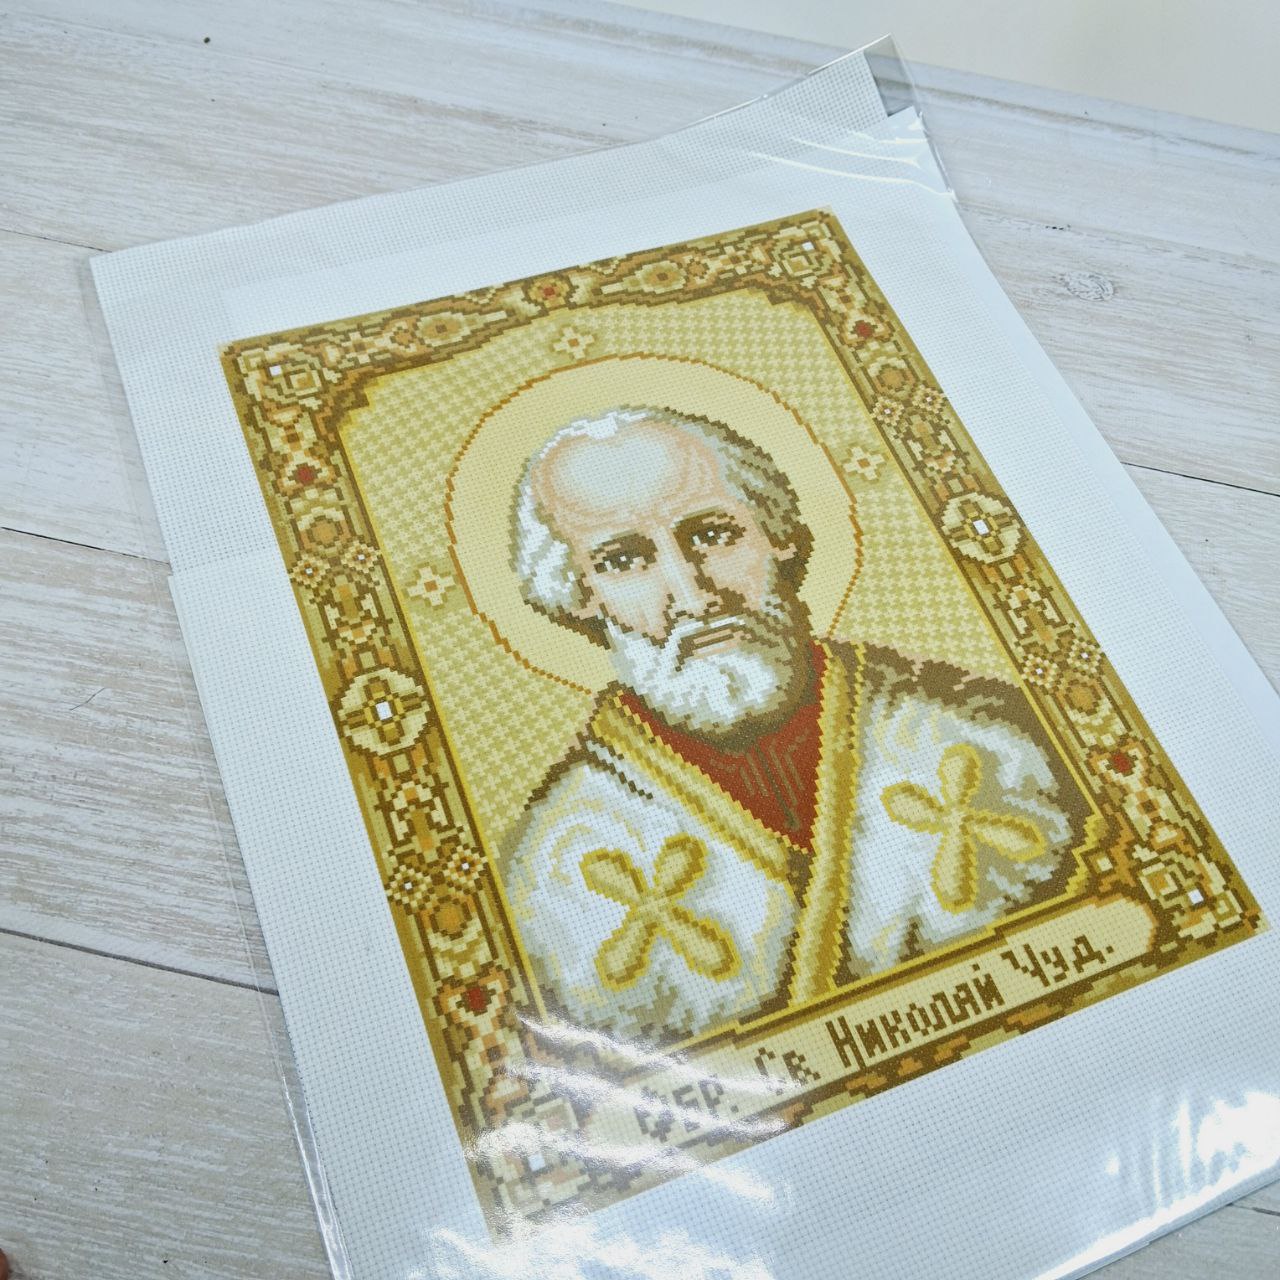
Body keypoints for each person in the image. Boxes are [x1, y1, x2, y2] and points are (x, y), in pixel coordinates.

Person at [502, 406, 1086, 1043]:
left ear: (775, 535)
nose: (693, 595)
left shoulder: (983, 729)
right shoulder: (555, 859)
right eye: (623, 560)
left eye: (712, 535)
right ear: (581, 593)